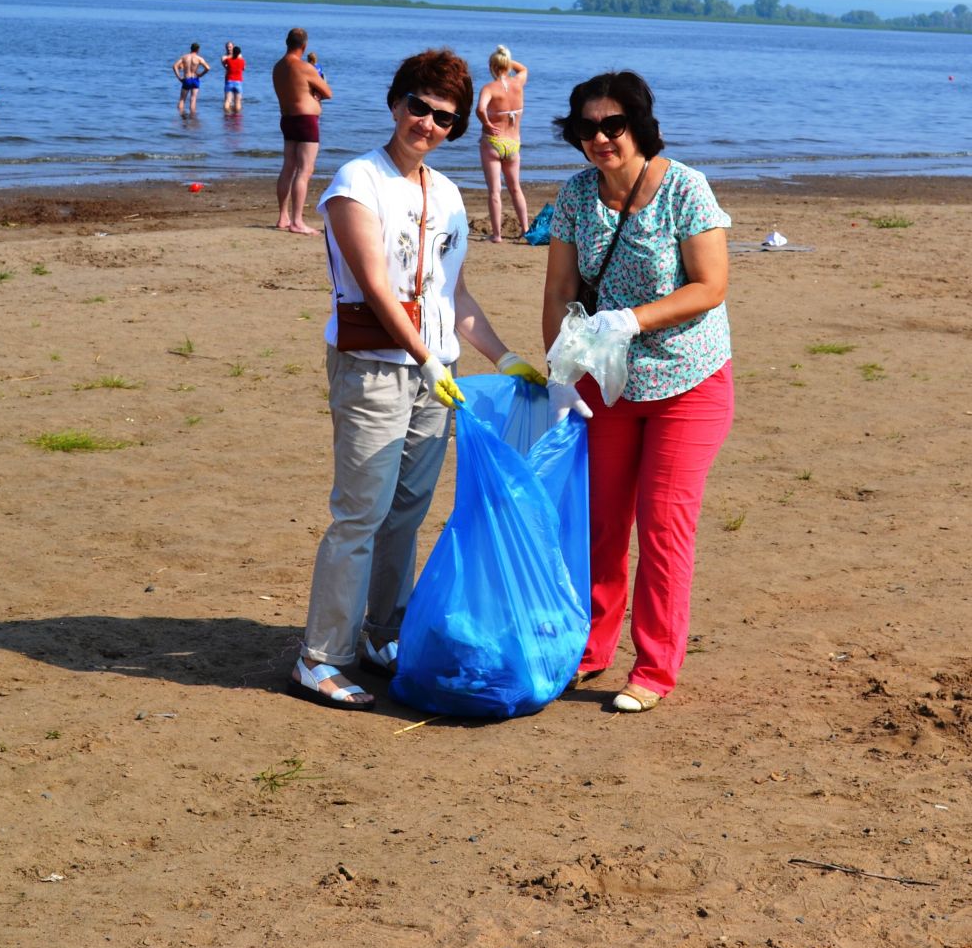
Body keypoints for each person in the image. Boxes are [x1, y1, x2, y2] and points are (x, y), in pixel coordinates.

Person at [291, 47, 550, 710]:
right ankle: (321, 657)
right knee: (360, 514)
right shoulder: (356, 182)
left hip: (437, 374)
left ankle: (382, 635)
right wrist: (424, 358)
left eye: (444, 117)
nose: (428, 124)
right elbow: (377, 289)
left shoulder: (448, 195)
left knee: (405, 514)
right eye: (419, 107)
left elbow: (453, 295)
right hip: (376, 369)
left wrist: (503, 355)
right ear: (395, 102)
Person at [542, 71, 733, 713]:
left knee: (662, 525)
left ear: (640, 128)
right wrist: (559, 373)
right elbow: (560, 292)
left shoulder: (685, 187)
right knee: (600, 524)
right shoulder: (573, 196)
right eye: (588, 127)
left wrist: (633, 318)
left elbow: (710, 285)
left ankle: (653, 667)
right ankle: (590, 650)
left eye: (613, 125)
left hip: (688, 379)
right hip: (608, 388)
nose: (600, 138)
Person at [272, 27, 332, 234]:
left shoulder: (278, 67)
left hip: (287, 118)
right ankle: (297, 221)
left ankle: (283, 217)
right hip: (306, 120)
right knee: (305, 170)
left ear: (286, 42)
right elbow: (327, 92)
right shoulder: (304, 67)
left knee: (288, 166)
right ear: (304, 46)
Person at [474, 45, 530, 243]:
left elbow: (480, 109)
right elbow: (523, 69)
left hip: (493, 142)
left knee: (495, 190)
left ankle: (497, 235)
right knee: (516, 188)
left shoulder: (489, 88)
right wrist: (506, 58)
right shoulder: (518, 83)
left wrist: (487, 124)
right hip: (514, 144)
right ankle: (525, 229)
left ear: (491, 66)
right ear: (507, 65)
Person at [173, 43, 210, 117]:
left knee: (182, 100)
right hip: (195, 79)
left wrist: (179, 77)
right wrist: (200, 75)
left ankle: (181, 117)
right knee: (193, 100)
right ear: (198, 50)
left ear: (191, 48)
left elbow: (175, 66)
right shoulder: (199, 58)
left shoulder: (184, 57)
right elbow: (208, 68)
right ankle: (192, 118)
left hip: (187, 79)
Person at [221, 44, 247, 117]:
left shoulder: (228, 60)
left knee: (227, 100)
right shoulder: (242, 61)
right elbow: (244, 68)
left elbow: (224, 64)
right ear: (239, 53)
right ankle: (237, 116)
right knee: (238, 102)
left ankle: (226, 115)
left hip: (229, 81)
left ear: (233, 52)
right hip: (238, 82)